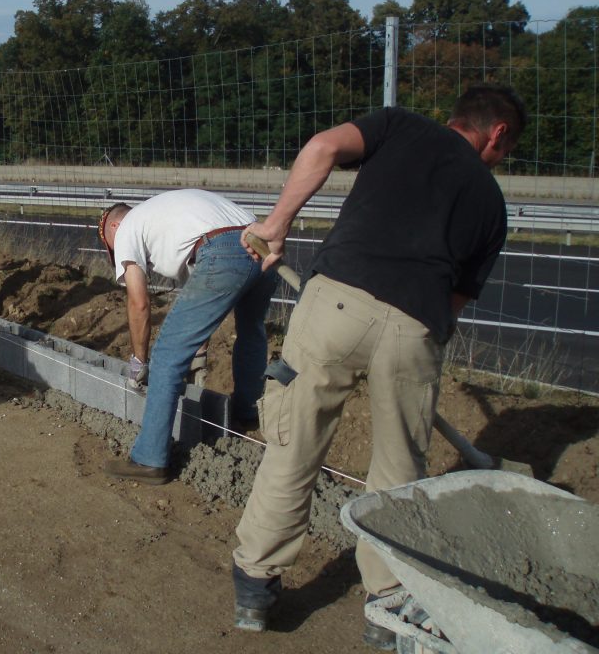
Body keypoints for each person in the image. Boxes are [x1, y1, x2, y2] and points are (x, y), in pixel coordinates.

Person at [230, 84, 527, 647]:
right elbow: (454, 306)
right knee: (398, 472)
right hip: (415, 328)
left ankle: (255, 587)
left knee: (294, 444)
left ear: (455, 117)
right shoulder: (491, 204)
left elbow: (320, 148)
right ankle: (387, 603)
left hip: (334, 305)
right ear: (498, 134)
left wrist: (275, 225)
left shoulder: (401, 126)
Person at [97, 189, 279, 484]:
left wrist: (139, 362)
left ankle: (149, 459)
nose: (118, 256)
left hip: (223, 249)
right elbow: (199, 300)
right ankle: (247, 412)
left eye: (113, 249)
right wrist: (198, 353)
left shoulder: (128, 227)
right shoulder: (172, 218)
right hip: (260, 243)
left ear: (113, 227)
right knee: (251, 330)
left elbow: (139, 304)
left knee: (167, 353)